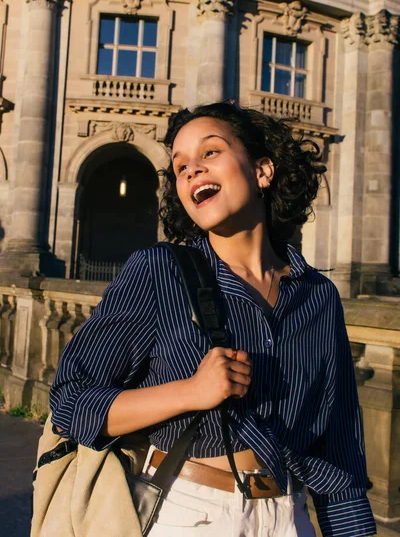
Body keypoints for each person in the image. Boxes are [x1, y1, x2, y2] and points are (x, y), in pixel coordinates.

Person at [50, 102, 376, 537]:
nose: (190, 171)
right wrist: (189, 392)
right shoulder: (159, 271)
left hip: (291, 516)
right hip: (190, 513)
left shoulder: (319, 296)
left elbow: (340, 447)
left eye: (210, 153)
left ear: (263, 171)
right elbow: (70, 404)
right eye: (180, 165)